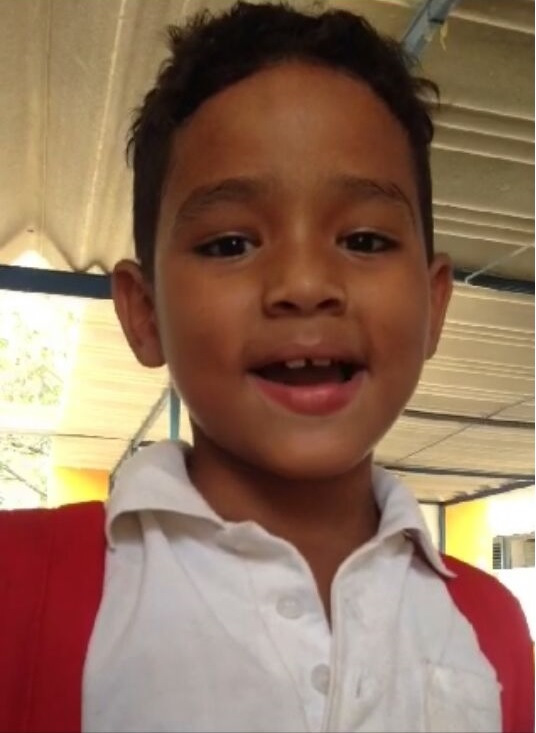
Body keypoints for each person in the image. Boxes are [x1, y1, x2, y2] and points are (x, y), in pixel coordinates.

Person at [1, 3, 534, 732]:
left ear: (434, 303)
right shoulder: (22, 585)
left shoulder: (492, 626)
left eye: (366, 240)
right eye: (229, 244)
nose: (305, 284)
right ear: (145, 311)